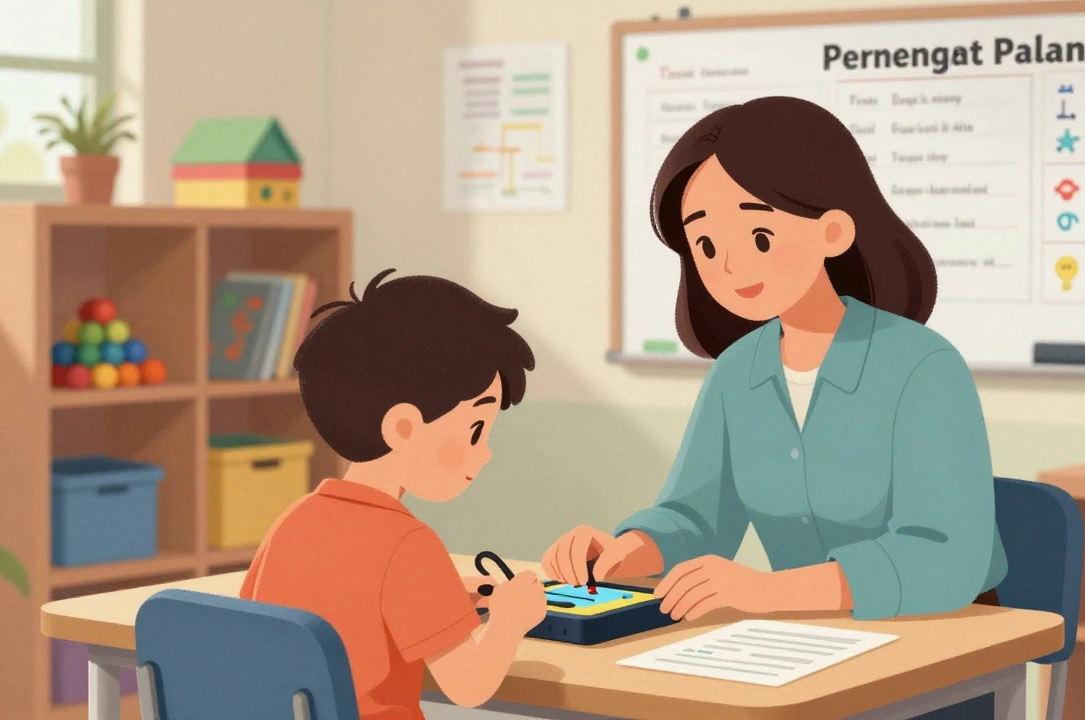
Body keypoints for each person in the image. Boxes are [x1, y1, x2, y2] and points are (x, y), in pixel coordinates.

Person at [544, 95, 1007, 628]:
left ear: (833, 230)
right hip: (802, 630)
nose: (729, 265)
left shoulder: (923, 366)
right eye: (706, 244)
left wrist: (766, 590)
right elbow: (695, 519)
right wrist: (627, 551)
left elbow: (945, 557)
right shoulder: (736, 372)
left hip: (944, 633)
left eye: (759, 236)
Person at [241, 270, 546, 720]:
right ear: (403, 427)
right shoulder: (407, 544)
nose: (484, 453)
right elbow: (469, 686)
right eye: (475, 430)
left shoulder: (295, 520)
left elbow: (303, 617)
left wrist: (435, 600)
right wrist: (510, 620)